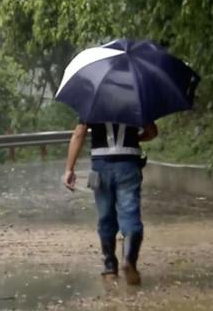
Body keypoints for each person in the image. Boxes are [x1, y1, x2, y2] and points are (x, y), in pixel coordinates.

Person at [63, 121, 158, 285]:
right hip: (128, 164)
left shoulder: (94, 101)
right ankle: (129, 260)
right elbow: (152, 132)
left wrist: (69, 169)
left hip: (101, 165)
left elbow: (79, 134)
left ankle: (109, 267)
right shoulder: (135, 100)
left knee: (105, 215)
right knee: (130, 214)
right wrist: (136, 137)